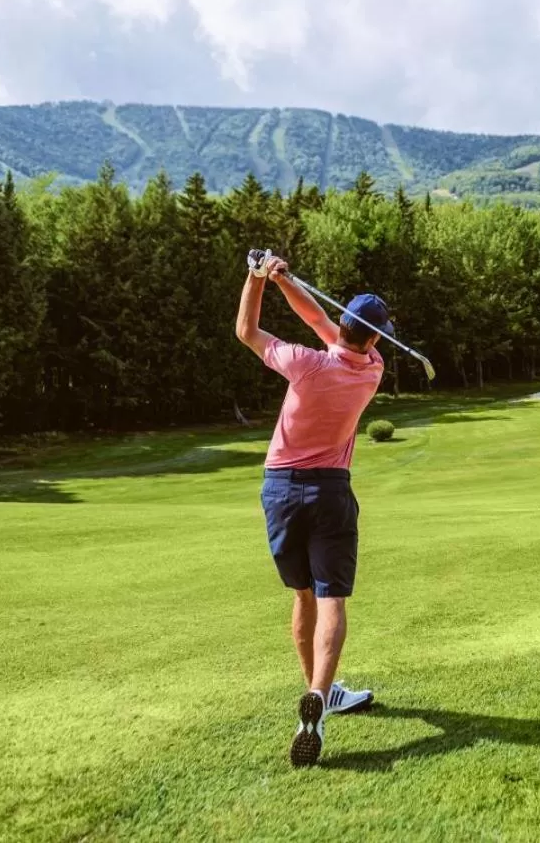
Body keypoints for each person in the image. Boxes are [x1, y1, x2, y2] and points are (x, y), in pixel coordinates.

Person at [234, 248, 389, 767]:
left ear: (344, 325)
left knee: (302, 595)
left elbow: (248, 332)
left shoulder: (304, 364)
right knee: (332, 600)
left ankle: (318, 693)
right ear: (374, 339)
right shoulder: (372, 370)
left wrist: (259, 278)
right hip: (330, 492)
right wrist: (283, 280)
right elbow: (320, 321)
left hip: (280, 489)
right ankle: (320, 696)